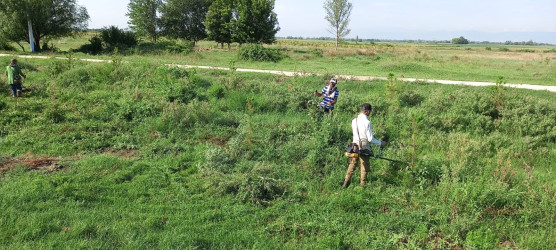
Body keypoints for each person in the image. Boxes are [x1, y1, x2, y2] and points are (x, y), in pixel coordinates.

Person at [343, 103, 386, 188]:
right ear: (367, 112)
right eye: (370, 112)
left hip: (354, 146)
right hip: (364, 146)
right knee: (364, 166)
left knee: (352, 164)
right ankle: (362, 186)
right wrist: (381, 143)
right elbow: (370, 139)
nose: (370, 113)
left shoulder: (354, 120)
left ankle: (346, 183)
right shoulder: (367, 122)